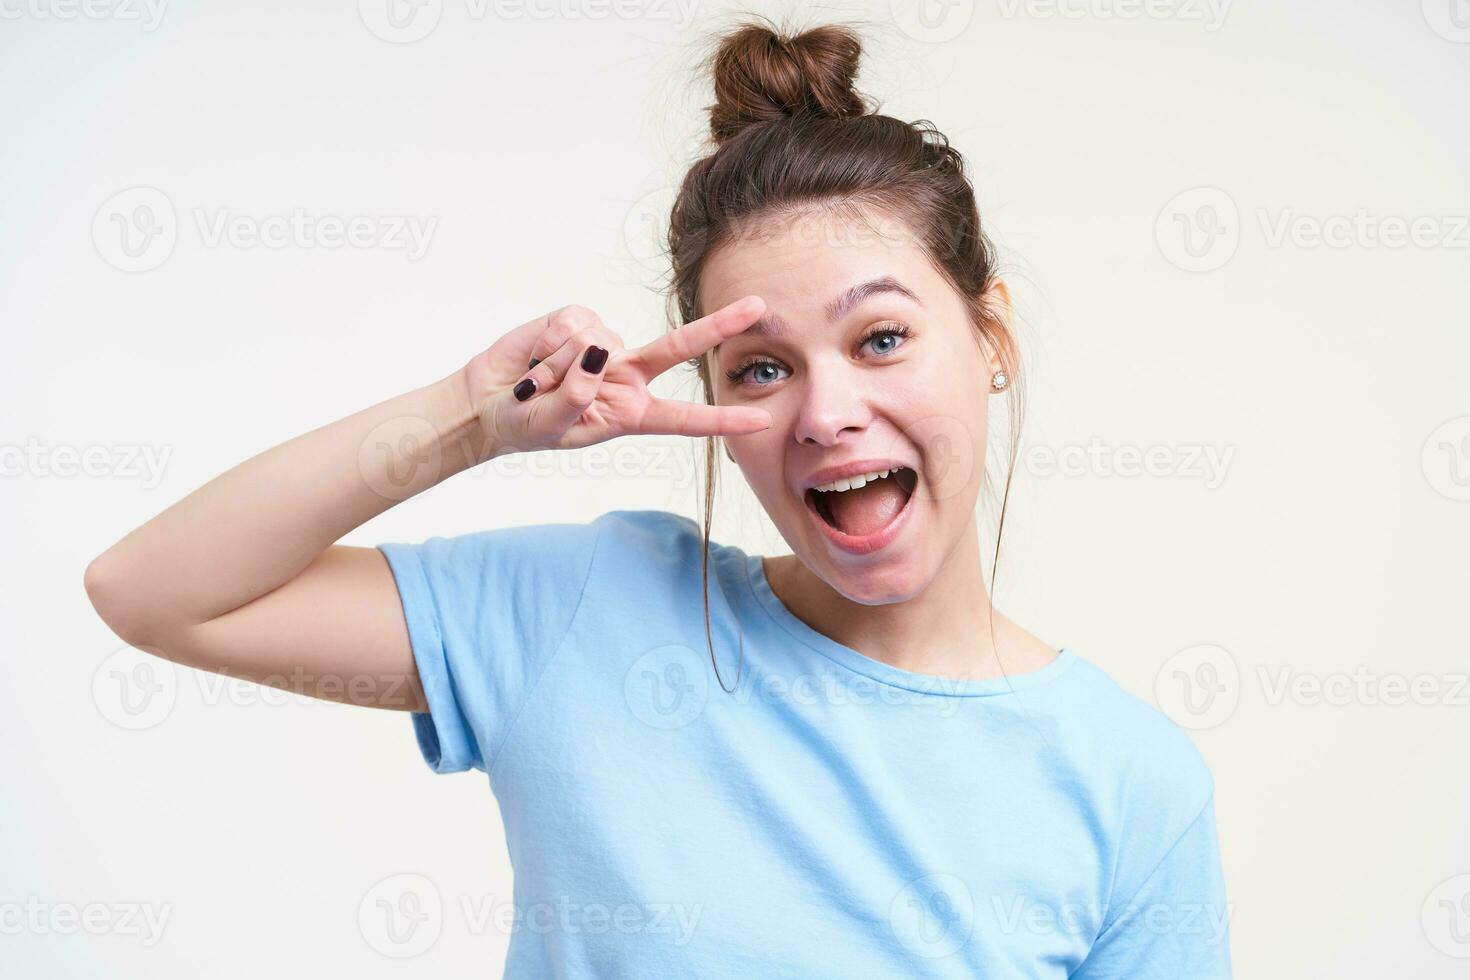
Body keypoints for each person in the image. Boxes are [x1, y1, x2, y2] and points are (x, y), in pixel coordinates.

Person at [84, 18, 1232, 978]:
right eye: (762, 368)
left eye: (881, 337)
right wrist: (467, 419)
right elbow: (155, 591)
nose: (826, 413)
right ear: (711, 402)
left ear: (992, 337)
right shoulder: (594, 609)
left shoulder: (1129, 781)